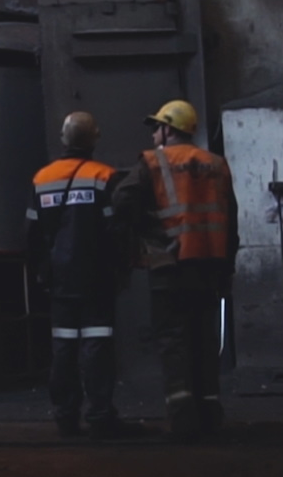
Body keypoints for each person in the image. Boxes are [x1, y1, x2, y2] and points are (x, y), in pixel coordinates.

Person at [111, 99, 239, 442]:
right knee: (204, 340)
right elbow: (232, 221)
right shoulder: (217, 164)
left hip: (170, 266)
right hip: (209, 266)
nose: (154, 134)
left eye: (157, 127)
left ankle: (183, 419)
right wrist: (226, 268)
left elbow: (122, 202)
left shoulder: (153, 162)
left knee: (173, 341)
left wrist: (147, 231)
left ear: (169, 129)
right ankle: (210, 413)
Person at [26, 111, 131, 439]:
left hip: (59, 279)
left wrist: (41, 272)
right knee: (96, 345)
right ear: (95, 138)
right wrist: (122, 268)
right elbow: (116, 229)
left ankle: (65, 417)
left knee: (63, 346)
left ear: (63, 139)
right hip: (96, 276)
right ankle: (100, 415)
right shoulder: (104, 176)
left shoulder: (42, 179)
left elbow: (31, 234)